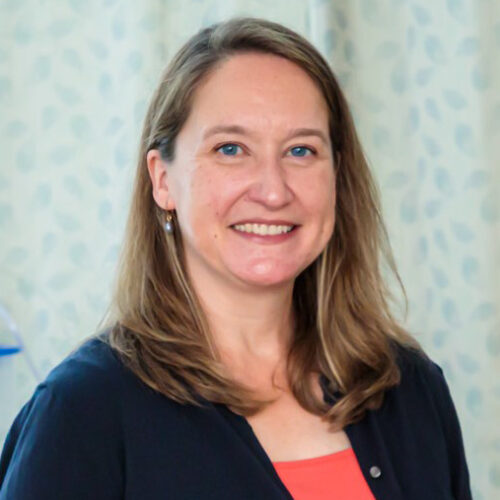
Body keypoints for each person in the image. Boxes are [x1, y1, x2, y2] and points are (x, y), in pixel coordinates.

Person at [0, 17, 471, 500]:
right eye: (230, 149)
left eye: (301, 151)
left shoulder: (409, 387)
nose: (272, 190)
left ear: (337, 177)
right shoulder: (83, 411)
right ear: (163, 180)